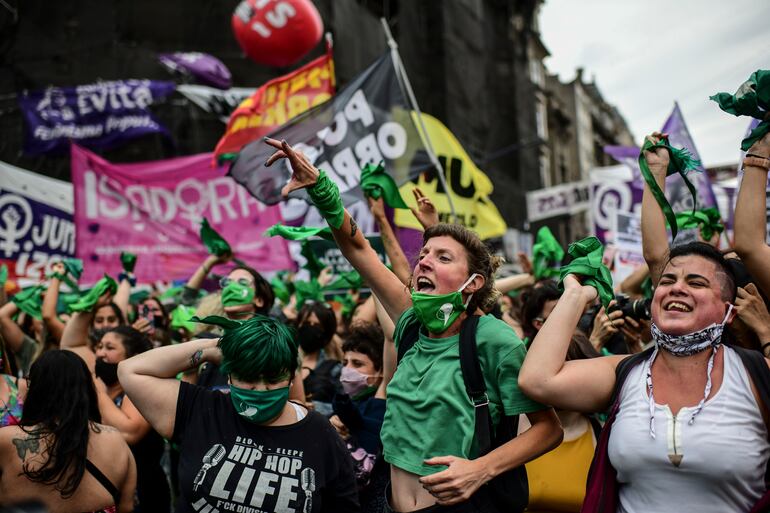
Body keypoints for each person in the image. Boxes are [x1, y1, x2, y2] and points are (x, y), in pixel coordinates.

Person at [262, 138, 561, 512]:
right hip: (384, 500)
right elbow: (358, 250)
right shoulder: (412, 323)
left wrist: (480, 470)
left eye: (443, 257)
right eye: (423, 255)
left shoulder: (494, 340)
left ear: (474, 283)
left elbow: (549, 430)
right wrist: (321, 188)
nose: (423, 262)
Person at [520, 241, 770, 512]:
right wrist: (575, 295)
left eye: (696, 283)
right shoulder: (625, 374)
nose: (677, 288)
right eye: (667, 281)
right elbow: (537, 380)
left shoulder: (755, 374)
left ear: (728, 312)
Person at [118, 314, 360, 512]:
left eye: (274, 379)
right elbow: (131, 371)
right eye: (249, 378)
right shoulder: (202, 409)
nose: (261, 389)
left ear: (290, 378)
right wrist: (214, 347)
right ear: (230, 375)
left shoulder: (320, 432)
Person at [62, 308, 171, 513]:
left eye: (110, 348)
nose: (101, 353)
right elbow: (70, 345)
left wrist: (98, 393)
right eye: (99, 346)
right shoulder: (102, 385)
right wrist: (89, 305)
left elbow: (130, 433)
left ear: (132, 357)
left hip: (143, 495)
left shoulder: (142, 389)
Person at [0, 350, 136, 512]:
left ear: (34, 390)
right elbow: (126, 508)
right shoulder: (115, 441)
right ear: (87, 388)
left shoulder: (6, 440)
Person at [297, 301, 342, 416]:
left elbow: (342, 406)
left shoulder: (335, 368)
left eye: (317, 326)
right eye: (307, 323)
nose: (310, 328)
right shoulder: (283, 358)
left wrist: (313, 408)